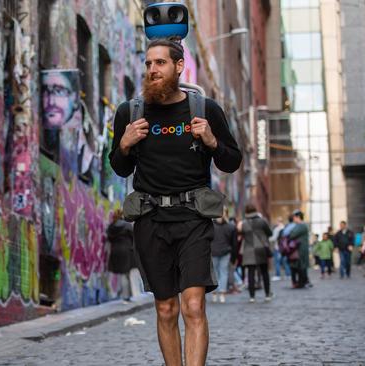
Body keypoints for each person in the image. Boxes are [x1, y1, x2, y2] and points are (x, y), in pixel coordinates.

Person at [109, 37, 241, 365]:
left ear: (178, 67)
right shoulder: (130, 112)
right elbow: (120, 166)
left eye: (161, 63)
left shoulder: (205, 109)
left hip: (193, 218)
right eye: (149, 63)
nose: (153, 69)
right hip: (151, 221)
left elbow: (232, 161)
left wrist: (212, 141)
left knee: (193, 306)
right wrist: (123, 145)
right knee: (166, 309)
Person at [238, 204, 273, 302]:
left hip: (248, 249)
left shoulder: (243, 223)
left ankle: (252, 297)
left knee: (250, 273)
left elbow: (240, 234)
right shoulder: (262, 221)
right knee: (264, 272)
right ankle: (267, 294)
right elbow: (270, 233)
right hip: (261, 248)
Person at [106, 209, 136, 301]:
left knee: (119, 273)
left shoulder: (111, 227)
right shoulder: (127, 225)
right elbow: (133, 238)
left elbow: (109, 239)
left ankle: (119, 294)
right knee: (125, 274)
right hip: (126, 251)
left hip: (115, 251)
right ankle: (126, 296)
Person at [210, 209, 237, 303]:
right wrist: (234, 258)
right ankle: (222, 294)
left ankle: (214, 294)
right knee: (223, 272)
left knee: (215, 273)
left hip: (214, 252)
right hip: (225, 252)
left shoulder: (210, 226)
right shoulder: (231, 226)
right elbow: (234, 244)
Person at [289, 210, 311, 289]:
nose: (293, 219)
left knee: (301, 266)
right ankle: (302, 281)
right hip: (299, 248)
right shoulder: (299, 225)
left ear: (298, 217)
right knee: (299, 266)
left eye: (294, 217)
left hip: (301, 249)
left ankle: (302, 282)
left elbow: (292, 234)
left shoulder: (301, 226)